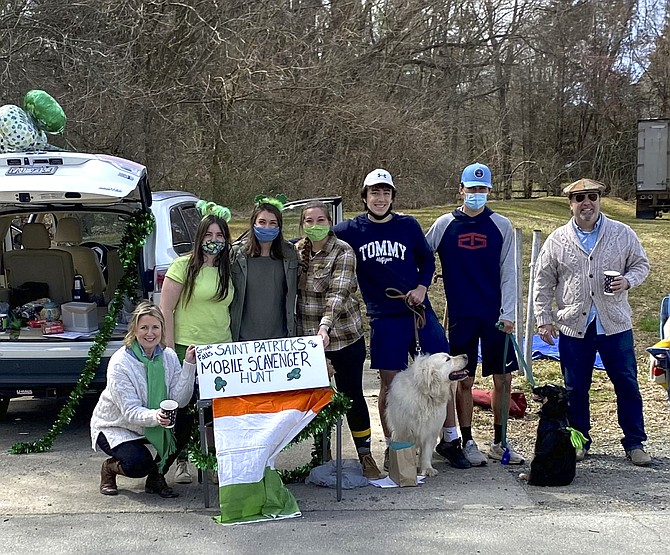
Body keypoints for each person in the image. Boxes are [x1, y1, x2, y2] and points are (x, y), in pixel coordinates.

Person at [333, 169, 469, 470]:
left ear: (393, 197)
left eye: (385, 193)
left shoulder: (407, 225)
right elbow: (318, 236)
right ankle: (397, 448)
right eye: (374, 193)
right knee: (390, 385)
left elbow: (426, 259)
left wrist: (422, 287)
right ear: (365, 197)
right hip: (384, 316)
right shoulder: (352, 230)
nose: (380, 198)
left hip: (418, 311)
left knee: (445, 374)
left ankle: (449, 439)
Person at [533, 178, 651, 466]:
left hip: (615, 324)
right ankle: (580, 440)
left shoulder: (621, 233)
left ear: (599, 199)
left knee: (626, 384)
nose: (587, 203)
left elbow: (641, 264)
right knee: (575, 389)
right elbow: (543, 281)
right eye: (579, 198)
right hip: (574, 325)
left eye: (592, 197)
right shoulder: (558, 239)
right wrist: (544, 319)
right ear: (570, 204)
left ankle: (635, 443)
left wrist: (628, 281)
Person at [425, 162, 523, 466]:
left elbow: (509, 271)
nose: (476, 194)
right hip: (461, 316)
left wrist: (509, 313)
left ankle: (499, 441)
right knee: (463, 381)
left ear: (489, 191)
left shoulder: (501, 225)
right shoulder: (443, 224)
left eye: (482, 189)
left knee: (503, 379)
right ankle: (467, 441)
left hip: (495, 316)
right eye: (471, 189)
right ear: (460, 190)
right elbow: (421, 253)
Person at [296, 201, 382, 479]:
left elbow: (338, 294)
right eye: (309, 221)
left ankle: (365, 454)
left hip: (343, 337)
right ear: (302, 225)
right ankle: (322, 454)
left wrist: (325, 327)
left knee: (351, 395)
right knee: (318, 398)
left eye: (321, 219)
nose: (315, 225)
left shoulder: (343, 251)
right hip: (310, 343)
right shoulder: (297, 253)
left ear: (330, 222)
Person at [159, 200, 234, 484]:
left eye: (219, 236)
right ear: (199, 237)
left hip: (220, 350)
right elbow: (166, 309)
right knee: (184, 410)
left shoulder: (228, 269)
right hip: (186, 349)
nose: (213, 241)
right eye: (208, 235)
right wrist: (168, 348)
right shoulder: (182, 267)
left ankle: (211, 462)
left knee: (216, 413)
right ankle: (181, 462)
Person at [90, 302, 197, 497]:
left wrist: (189, 365)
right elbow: (130, 411)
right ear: (134, 330)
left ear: (162, 329)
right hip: (116, 426)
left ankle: (157, 477)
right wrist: (157, 416)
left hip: (153, 420)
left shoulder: (169, 356)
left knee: (184, 419)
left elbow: (179, 401)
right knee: (139, 464)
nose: (150, 333)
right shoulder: (120, 363)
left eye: (155, 327)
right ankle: (110, 468)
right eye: (144, 328)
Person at [230, 195, 298, 342]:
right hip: (244, 339)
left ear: (279, 226)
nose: (267, 227)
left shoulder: (290, 254)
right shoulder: (237, 254)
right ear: (253, 223)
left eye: (273, 223)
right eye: (262, 222)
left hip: (281, 338)